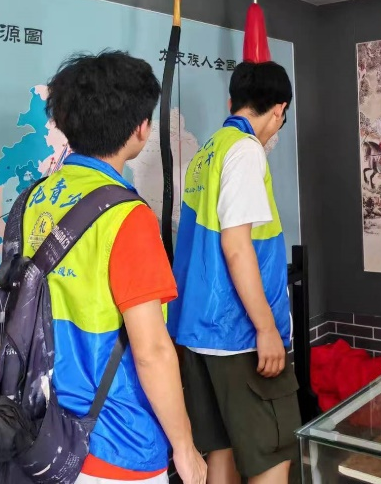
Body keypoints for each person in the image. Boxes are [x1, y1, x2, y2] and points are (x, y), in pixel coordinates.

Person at [42, 51, 207, 484]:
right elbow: (151, 351)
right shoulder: (127, 216)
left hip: (41, 431)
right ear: (141, 128)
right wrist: (185, 447)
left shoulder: (33, 200)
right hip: (114, 441)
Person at [168, 61, 301, 484]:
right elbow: (237, 245)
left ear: (232, 103)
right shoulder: (245, 151)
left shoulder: (209, 149)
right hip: (238, 335)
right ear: (279, 110)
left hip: (199, 332)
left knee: (220, 450)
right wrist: (266, 328)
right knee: (272, 454)